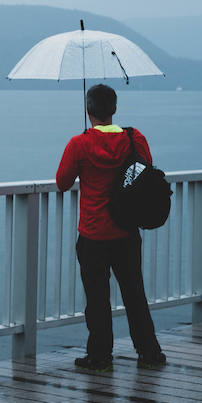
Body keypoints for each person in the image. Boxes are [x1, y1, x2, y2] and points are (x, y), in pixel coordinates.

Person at [56, 84, 166, 371]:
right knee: (134, 293)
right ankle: (149, 352)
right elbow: (145, 169)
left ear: (88, 110)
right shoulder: (134, 138)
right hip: (127, 230)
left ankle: (100, 356)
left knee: (97, 300)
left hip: (93, 233)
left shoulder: (79, 144)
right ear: (114, 109)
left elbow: (63, 182)